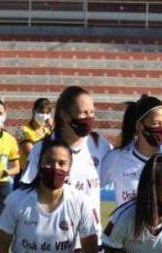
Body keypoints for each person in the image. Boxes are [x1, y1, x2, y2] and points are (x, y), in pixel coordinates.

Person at [22, 86, 107, 217]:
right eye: (84, 113)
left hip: (91, 235)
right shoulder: (42, 148)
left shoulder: (100, 144)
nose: (89, 118)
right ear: (64, 115)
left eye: (92, 112)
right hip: (54, 233)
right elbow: (24, 194)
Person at [99, 95, 162, 208]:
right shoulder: (117, 158)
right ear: (139, 126)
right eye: (156, 123)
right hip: (129, 226)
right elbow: (92, 186)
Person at [16, 98, 53, 185]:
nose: (44, 116)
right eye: (41, 112)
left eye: (47, 113)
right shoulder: (21, 130)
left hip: (42, 173)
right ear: (34, 111)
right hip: (25, 173)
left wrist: (53, 129)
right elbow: (31, 153)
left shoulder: (48, 131)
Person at [0, 99, 19, 211]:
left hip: (4, 185)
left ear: (5, 115)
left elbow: (16, 168)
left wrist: (6, 172)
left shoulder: (10, 139)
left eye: (0, 113)